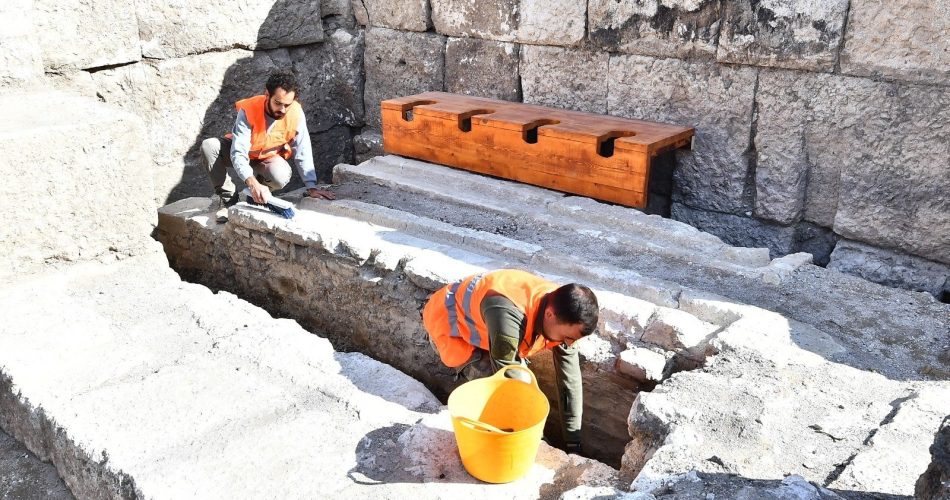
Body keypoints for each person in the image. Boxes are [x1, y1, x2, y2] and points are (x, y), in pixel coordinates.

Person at [422, 269, 599, 453]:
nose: (569, 343)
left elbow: (570, 382)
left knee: (523, 380)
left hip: (489, 326)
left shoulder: (565, 309)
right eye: (567, 337)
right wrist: (538, 443)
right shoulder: (507, 312)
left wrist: (573, 443)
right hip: (451, 328)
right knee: (502, 393)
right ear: (549, 315)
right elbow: (510, 385)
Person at [201, 71, 335, 223]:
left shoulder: (296, 112)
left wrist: (311, 187)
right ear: (267, 94)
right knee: (209, 146)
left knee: (281, 174)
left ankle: (258, 195)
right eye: (278, 103)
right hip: (241, 153)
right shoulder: (249, 109)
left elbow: (302, 148)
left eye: (287, 105)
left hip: (267, 158)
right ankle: (230, 202)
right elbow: (238, 152)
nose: (283, 110)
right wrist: (251, 182)